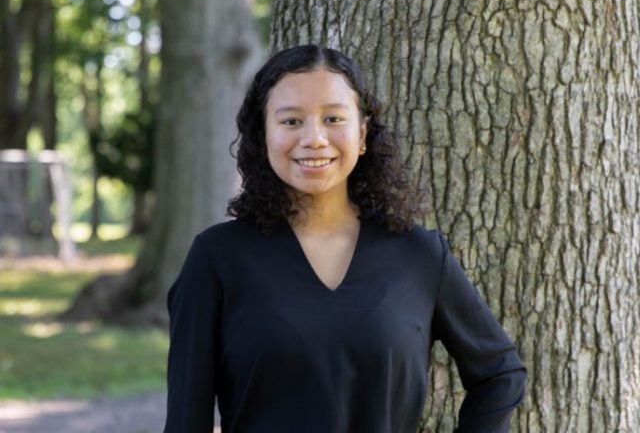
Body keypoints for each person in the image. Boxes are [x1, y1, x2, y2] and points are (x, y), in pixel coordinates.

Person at [163, 45, 526, 433]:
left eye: (333, 118)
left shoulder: (419, 255)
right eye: (291, 121)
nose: (314, 138)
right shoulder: (217, 258)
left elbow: (500, 375)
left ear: (363, 133)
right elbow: (186, 420)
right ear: (262, 134)